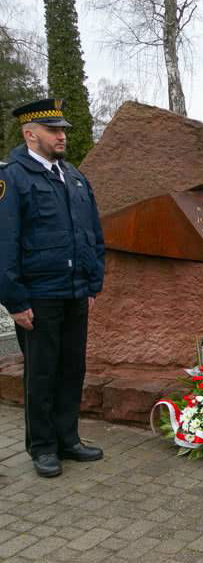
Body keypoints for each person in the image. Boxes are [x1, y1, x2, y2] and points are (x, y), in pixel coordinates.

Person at [0, 99, 106, 478]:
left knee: (71, 369)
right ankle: (42, 446)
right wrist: (14, 300)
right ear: (30, 134)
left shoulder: (74, 176)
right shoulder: (13, 177)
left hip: (75, 291)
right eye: (53, 130)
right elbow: (4, 242)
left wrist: (93, 283)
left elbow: (92, 233)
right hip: (38, 296)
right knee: (42, 373)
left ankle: (68, 439)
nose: (62, 136)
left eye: (63, 130)